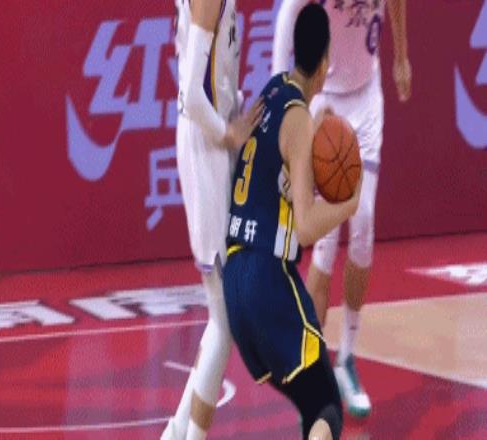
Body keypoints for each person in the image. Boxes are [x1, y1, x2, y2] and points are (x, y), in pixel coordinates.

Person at [223, 4, 361, 439]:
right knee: (327, 404)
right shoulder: (298, 120)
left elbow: (273, 158)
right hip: (268, 280)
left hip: (236, 282)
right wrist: (348, 204)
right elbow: (304, 226)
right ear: (325, 62)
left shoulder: (273, 90)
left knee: (310, 402)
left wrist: (314, 125)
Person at [272, 0, 412, 418]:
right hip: (326, 100)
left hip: (366, 99)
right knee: (326, 241)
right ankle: (314, 375)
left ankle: (347, 358)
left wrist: (401, 57)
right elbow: (287, 13)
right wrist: (283, 93)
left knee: (363, 222)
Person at [161, 0, 263, 439]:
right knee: (225, 319)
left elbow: (213, 78)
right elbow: (190, 94)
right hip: (206, 149)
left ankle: (175, 432)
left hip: (213, 146)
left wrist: (234, 113)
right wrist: (228, 132)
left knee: (223, 318)